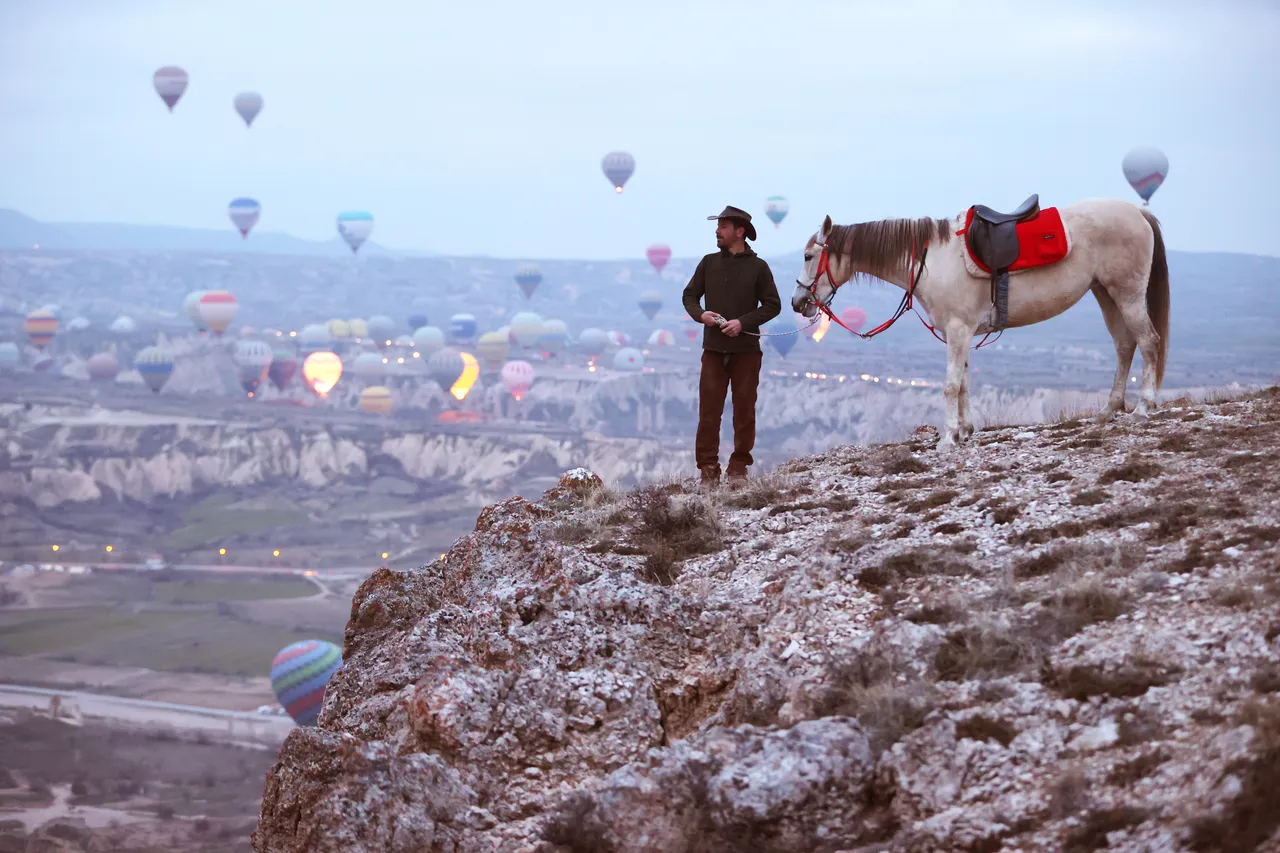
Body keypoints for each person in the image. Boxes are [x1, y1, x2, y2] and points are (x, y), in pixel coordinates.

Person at [682, 206, 782, 486]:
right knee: (709, 411)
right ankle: (708, 469)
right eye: (718, 226)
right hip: (713, 350)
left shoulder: (759, 267)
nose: (717, 231)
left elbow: (773, 305)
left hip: (746, 351)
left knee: (744, 409)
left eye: (723, 226)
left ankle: (738, 466)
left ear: (740, 231)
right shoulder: (708, 262)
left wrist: (742, 323)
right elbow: (689, 295)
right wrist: (700, 315)